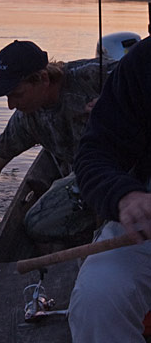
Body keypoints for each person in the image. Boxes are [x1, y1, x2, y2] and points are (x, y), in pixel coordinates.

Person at [0, 39, 115, 245]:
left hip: (123, 167)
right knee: (37, 224)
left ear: (43, 79)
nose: (11, 106)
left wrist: (116, 101)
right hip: (85, 178)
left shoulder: (93, 75)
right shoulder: (27, 117)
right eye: (7, 97)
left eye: (17, 94)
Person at [68, 35, 151, 343]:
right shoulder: (143, 62)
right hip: (146, 227)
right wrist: (126, 196)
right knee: (97, 297)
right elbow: (94, 153)